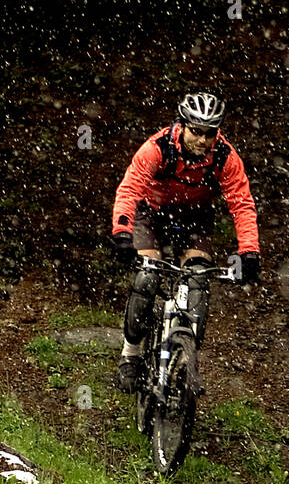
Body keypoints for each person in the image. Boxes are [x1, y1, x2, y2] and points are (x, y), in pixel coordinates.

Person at [110, 90, 261, 392]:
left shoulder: (224, 156)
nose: (202, 141)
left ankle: (185, 356)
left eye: (209, 134)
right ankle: (131, 354)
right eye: (196, 132)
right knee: (147, 278)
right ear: (181, 125)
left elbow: (241, 203)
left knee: (197, 283)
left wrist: (249, 251)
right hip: (151, 214)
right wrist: (122, 232)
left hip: (194, 219)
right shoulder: (157, 148)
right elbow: (130, 189)